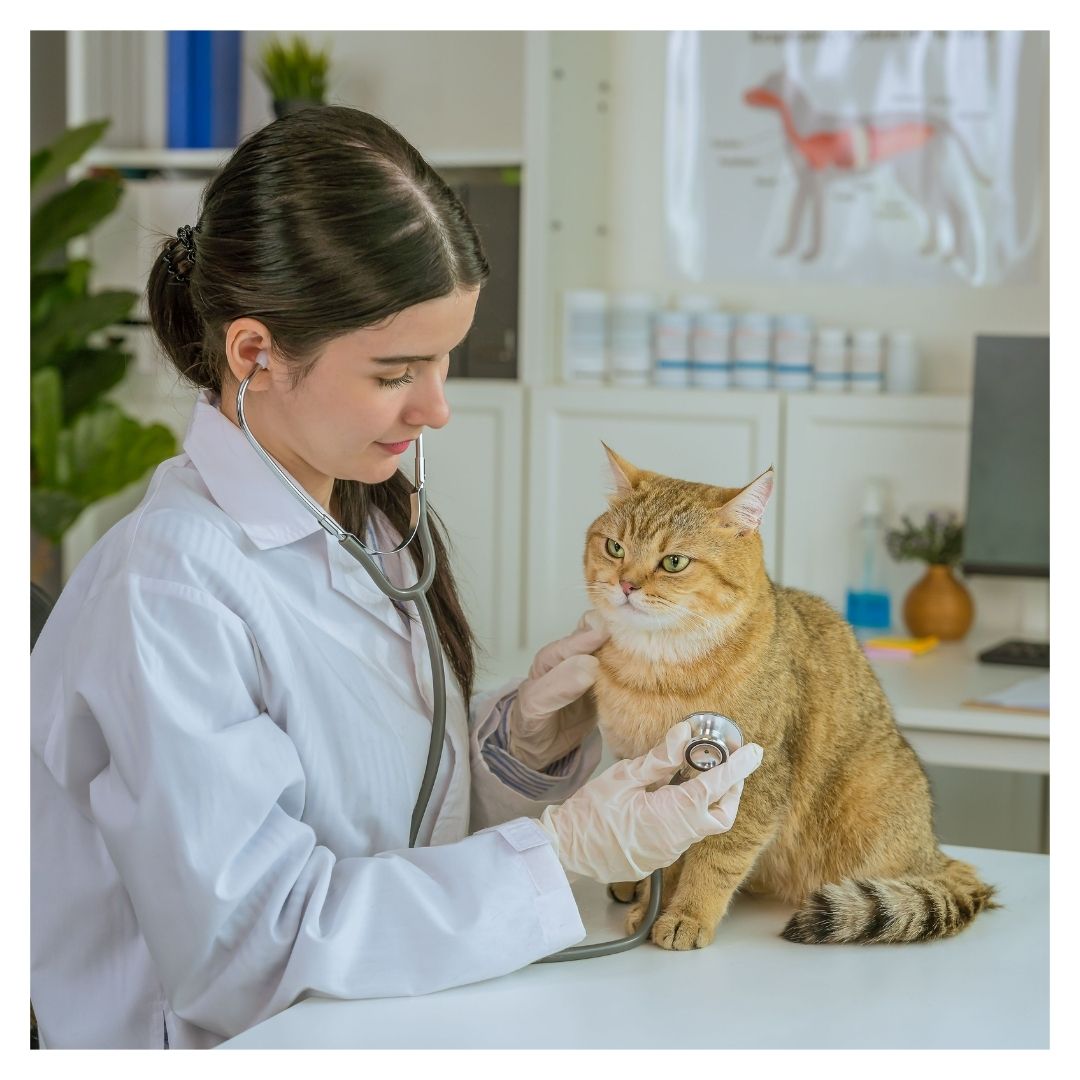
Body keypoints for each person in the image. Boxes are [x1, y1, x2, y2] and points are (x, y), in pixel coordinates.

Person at [30, 106, 763, 1050]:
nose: (439, 407)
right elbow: (253, 949)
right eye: (396, 371)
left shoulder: (363, 519)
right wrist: (561, 848)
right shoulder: (166, 590)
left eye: (444, 360)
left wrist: (517, 749)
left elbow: (387, 826)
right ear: (254, 354)